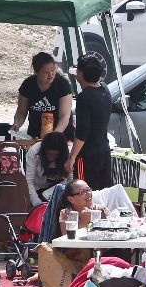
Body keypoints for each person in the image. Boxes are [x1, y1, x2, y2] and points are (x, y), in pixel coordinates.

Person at [67, 52, 113, 190]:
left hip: (87, 156)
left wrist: (72, 157)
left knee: (85, 192)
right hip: (104, 152)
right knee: (102, 192)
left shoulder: (84, 98)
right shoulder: (105, 89)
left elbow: (82, 132)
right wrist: (78, 74)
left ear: (81, 73)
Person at [13, 52, 73, 140]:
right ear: (36, 72)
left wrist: (55, 135)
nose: (51, 75)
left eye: (53, 70)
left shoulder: (62, 85)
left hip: (61, 134)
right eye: (46, 72)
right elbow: (21, 111)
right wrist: (17, 124)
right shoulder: (28, 84)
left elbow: (64, 115)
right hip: (35, 135)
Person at [25, 131, 73, 210]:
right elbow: (29, 180)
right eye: (49, 154)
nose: (52, 158)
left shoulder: (68, 153)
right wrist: (37, 204)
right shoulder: (34, 152)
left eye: (56, 155)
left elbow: (71, 181)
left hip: (57, 190)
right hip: (36, 190)